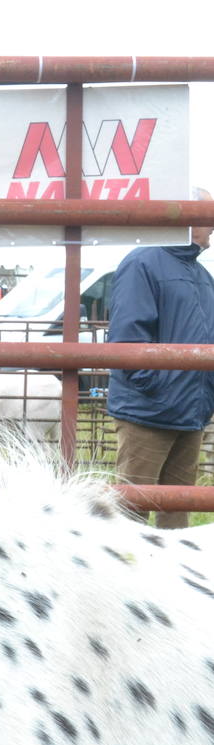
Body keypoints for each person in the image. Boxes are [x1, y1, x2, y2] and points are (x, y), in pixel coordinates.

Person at [105, 187, 214, 529]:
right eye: (208, 218)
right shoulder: (142, 263)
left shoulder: (201, 276)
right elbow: (126, 337)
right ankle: (121, 577)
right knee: (131, 511)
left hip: (189, 412)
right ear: (185, 218)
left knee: (176, 511)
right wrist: (160, 387)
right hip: (150, 412)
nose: (213, 227)